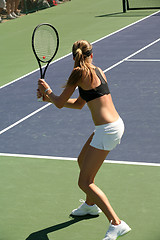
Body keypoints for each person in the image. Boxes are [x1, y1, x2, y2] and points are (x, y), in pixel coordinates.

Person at [37, 40, 131, 240]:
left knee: (84, 181)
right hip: (111, 126)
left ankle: (117, 223)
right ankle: (90, 206)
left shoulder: (78, 72)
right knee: (82, 161)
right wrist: (49, 97)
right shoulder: (98, 70)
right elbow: (79, 103)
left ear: (73, 57)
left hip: (108, 130)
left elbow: (60, 103)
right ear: (91, 54)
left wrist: (47, 91)